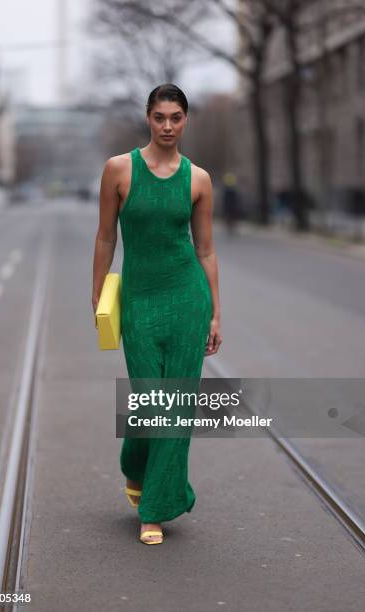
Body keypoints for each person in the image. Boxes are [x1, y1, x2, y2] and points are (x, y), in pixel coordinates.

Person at [92, 83, 222, 545]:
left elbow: (205, 249)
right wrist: (98, 296)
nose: (168, 126)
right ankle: (136, 465)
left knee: (177, 408)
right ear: (148, 118)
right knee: (150, 401)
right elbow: (106, 236)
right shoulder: (119, 170)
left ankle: (156, 508)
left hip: (188, 298)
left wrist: (214, 313)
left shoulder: (199, 179)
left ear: (186, 121)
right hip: (140, 301)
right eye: (159, 117)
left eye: (176, 118)